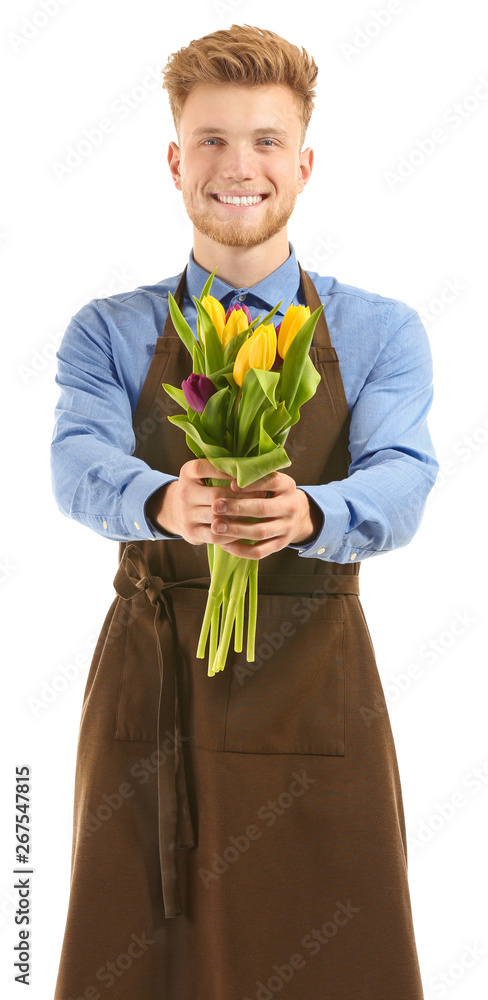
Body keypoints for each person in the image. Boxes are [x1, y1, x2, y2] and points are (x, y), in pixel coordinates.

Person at [51, 23, 437, 1000]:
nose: (238, 166)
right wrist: (162, 499)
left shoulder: (378, 329)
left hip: (315, 695)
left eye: (264, 140)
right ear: (175, 160)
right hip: (154, 699)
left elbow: (401, 479)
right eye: (212, 140)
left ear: (302, 163)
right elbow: (75, 462)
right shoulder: (110, 329)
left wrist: (309, 512)